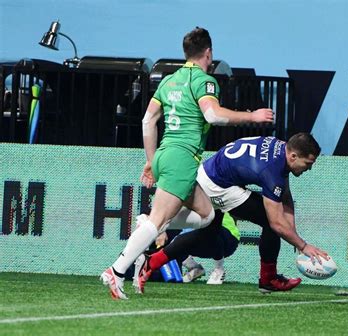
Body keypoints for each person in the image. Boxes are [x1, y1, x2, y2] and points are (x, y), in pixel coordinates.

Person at [100, 27, 273, 300]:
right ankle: (116, 270)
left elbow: (147, 121)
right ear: (209, 53)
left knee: (207, 216)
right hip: (181, 158)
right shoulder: (204, 81)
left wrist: (151, 159)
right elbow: (213, 116)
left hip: (167, 155)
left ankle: (149, 225)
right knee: (160, 220)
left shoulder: (169, 81)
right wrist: (252, 117)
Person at [137, 133, 329, 294]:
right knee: (271, 222)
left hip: (210, 171)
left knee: (207, 234)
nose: (309, 169)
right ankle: (268, 279)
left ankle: (151, 262)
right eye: (308, 163)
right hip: (218, 185)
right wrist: (303, 246)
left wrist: (292, 231)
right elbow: (277, 223)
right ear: (293, 156)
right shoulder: (272, 170)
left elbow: (284, 195)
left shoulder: (282, 149)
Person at [132, 211, 239, 292]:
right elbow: (166, 213)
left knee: (211, 232)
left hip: (228, 238)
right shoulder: (179, 198)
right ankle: (195, 268)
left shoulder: (204, 195)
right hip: (202, 239)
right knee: (176, 242)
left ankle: (219, 270)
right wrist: (158, 229)